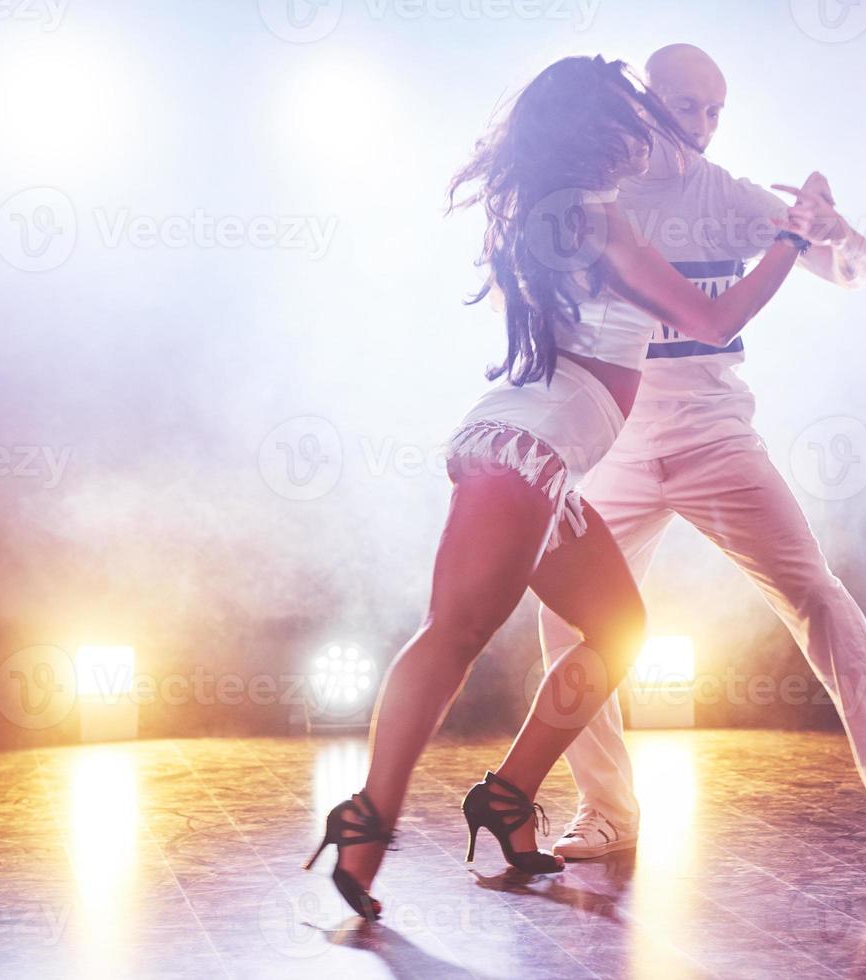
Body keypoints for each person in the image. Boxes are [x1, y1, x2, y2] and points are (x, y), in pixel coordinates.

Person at [302, 54, 816, 919]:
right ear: (593, 133)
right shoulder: (593, 219)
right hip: (527, 447)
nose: (640, 134)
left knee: (619, 629)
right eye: (627, 120)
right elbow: (715, 319)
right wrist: (793, 236)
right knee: (457, 632)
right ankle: (370, 816)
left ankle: (508, 796)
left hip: (545, 459)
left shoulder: (554, 210)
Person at [539, 44, 866, 867]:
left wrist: (838, 231)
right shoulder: (592, 196)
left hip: (713, 436)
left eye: (714, 110)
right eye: (686, 106)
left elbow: (848, 271)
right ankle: (607, 808)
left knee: (815, 596)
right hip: (611, 443)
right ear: (639, 102)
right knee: (564, 623)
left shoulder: (724, 192)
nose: (701, 125)